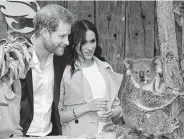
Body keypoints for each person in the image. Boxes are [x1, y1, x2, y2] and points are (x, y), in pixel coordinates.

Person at [58, 20, 123, 137]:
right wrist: (88, 107)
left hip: (106, 134)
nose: (89, 47)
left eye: (92, 41)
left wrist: (112, 113)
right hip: (78, 135)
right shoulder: (66, 72)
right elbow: (58, 116)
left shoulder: (106, 68)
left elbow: (118, 108)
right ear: (73, 43)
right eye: (83, 43)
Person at [20, 4, 74, 137]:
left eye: (68, 36)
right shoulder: (15, 58)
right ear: (44, 33)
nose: (67, 42)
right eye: (62, 36)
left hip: (51, 134)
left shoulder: (62, 57)